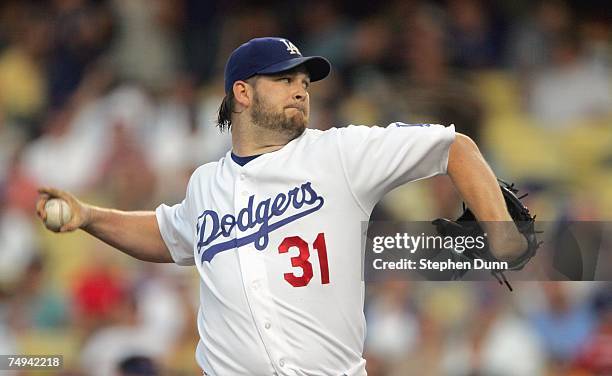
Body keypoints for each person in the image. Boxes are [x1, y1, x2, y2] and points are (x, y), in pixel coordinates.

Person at [36, 37, 527, 376]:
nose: (300, 87)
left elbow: (453, 146)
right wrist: (90, 216)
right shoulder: (206, 184)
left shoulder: (340, 153)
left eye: (305, 82)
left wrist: (500, 231)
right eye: (283, 78)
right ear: (242, 93)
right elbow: (168, 235)